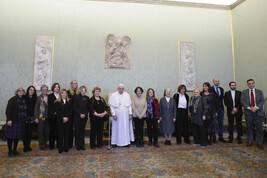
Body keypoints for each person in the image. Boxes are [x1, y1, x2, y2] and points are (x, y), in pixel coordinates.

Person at [241, 79, 264, 149]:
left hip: (258, 112)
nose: (251, 85)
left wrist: (256, 107)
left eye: (252, 83)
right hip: (248, 112)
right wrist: (249, 108)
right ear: (247, 84)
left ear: (254, 83)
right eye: (249, 83)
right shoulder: (244, 92)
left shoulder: (259, 91)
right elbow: (242, 101)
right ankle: (250, 141)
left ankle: (259, 142)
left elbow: (262, 101)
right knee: (249, 127)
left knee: (259, 128)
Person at [5, 87, 27, 157]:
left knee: (17, 137)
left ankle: (15, 150)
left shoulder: (24, 100)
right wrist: (9, 119)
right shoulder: (12, 100)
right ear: (17, 92)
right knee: (10, 137)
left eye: (22, 91)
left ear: (24, 92)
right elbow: (8, 111)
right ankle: (10, 151)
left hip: (20, 121)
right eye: (19, 91)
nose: (21, 92)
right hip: (12, 121)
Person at [54, 89, 72, 153]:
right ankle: (60, 148)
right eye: (62, 93)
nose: (64, 94)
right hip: (60, 120)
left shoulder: (69, 101)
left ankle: (66, 148)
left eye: (65, 93)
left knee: (66, 134)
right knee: (60, 135)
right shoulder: (57, 102)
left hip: (67, 120)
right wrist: (63, 118)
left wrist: (67, 117)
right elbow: (57, 111)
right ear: (60, 94)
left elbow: (70, 111)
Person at [73, 86, 90, 151]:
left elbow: (88, 108)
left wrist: (84, 114)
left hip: (84, 117)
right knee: (77, 131)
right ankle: (77, 145)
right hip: (77, 117)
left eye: (84, 90)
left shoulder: (87, 98)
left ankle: (82, 145)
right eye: (82, 90)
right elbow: (74, 107)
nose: (83, 91)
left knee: (82, 131)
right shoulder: (76, 97)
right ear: (80, 91)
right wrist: (80, 114)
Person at [34, 85, 49, 150]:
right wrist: (36, 117)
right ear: (41, 90)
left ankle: (45, 143)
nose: (44, 90)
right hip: (41, 117)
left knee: (47, 131)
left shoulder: (49, 97)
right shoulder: (39, 97)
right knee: (41, 132)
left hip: (48, 117)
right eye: (43, 89)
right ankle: (42, 145)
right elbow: (36, 108)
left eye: (46, 89)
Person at [211, 78, 226, 143]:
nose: (217, 82)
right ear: (213, 82)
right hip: (214, 109)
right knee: (214, 123)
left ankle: (221, 137)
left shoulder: (221, 89)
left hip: (221, 108)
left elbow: (222, 98)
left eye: (218, 81)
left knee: (221, 123)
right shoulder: (210, 89)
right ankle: (214, 137)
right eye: (215, 81)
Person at [23, 86, 37, 152]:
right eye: (30, 90)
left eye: (33, 90)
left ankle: (28, 145)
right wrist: (25, 118)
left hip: (32, 118)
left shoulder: (35, 98)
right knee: (25, 133)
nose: (32, 91)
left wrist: (33, 118)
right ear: (28, 90)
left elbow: (35, 109)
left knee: (30, 133)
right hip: (25, 118)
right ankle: (25, 146)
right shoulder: (24, 97)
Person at [48, 83, 60, 150]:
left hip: (59, 116)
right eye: (55, 87)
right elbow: (50, 106)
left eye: (58, 87)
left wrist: (59, 113)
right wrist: (54, 112)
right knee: (52, 131)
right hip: (52, 116)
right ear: (53, 88)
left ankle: (59, 144)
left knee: (59, 131)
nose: (57, 88)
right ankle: (51, 145)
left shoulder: (60, 95)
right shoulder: (50, 96)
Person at [67, 80, 79, 149]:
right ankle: (69, 144)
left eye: (76, 83)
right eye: (73, 83)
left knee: (77, 129)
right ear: (71, 84)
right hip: (70, 114)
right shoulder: (68, 92)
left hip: (77, 114)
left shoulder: (78, 92)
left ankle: (77, 144)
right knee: (70, 129)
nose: (75, 84)